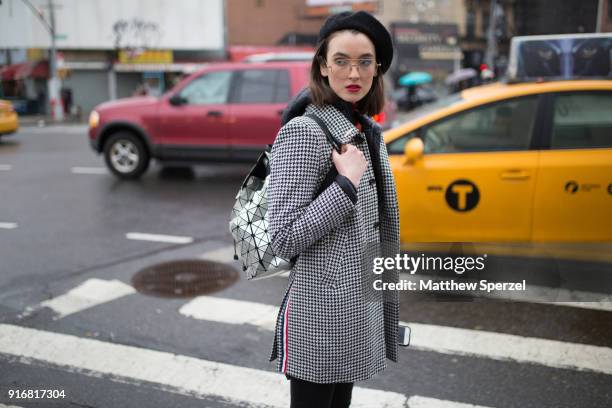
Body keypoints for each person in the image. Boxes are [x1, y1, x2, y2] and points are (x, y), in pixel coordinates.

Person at [267, 10, 401, 408]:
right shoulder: (305, 132)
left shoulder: (365, 130)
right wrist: (344, 186)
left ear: (378, 68)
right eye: (341, 60)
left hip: (358, 307)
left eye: (364, 61)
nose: (353, 72)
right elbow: (283, 237)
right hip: (320, 316)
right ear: (323, 67)